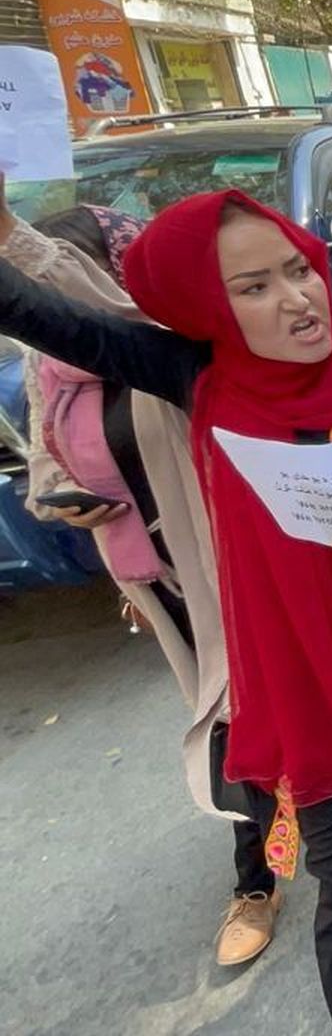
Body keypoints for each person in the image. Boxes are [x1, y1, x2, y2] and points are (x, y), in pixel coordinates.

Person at [0, 189, 332, 1033]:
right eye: (252, 287)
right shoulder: (198, 379)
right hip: (311, 685)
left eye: (297, 270)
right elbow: (48, 315)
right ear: (209, 307)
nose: (295, 298)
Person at [6, 202, 279, 966]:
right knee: (223, 716)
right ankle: (257, 874)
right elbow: (46, 465)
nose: (54, 311)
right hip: (157, 579)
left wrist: (12, 239)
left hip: (239, 563)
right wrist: (69, 503)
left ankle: (295, 848)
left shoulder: (172, 344)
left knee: (264, 702)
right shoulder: (47, 368)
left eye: (66, 282)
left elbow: (97, 312)